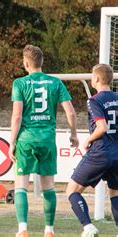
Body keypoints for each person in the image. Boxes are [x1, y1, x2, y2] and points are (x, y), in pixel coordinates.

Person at [9, 45, 78, 237]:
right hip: (47, 140)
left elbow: (17, 116)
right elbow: (71, 112)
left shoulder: (20, 83)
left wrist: (11, 142)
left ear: (25, 63)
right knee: (49, 187)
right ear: (42, 62)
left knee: (21, 185)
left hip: (26, 140)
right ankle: (49, 229)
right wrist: (74, 134)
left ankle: (23, 228)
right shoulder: (56, 83)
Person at [66, 64, 118, 237]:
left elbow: (101, 127)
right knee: (115, 192)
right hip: (117, 153)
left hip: (101, 152)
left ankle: (88, 227)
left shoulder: (94, 100)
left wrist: (88, 139)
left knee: (72, 191)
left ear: (96, 78)